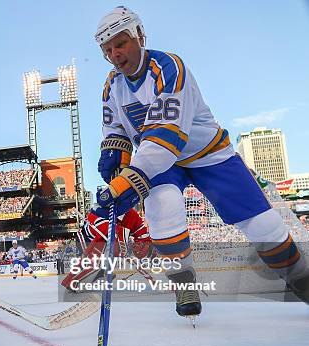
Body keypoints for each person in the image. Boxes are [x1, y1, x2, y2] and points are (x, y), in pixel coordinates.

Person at [90, 6, 309, 319]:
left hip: (207, 154)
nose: (114, 54)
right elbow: (115, 129)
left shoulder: (169, 67)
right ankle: (184, 284)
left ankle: (302, 280)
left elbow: (167, 138)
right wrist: (114, 153)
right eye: (107, 49)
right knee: (162, 207)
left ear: (140, 35)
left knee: (264, 225)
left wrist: (129, 179)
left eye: (120, 43)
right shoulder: (112, 85)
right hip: (162, 163)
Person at [61, 208, 153, 290]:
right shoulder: (110, 218)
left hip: (100, 239)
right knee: (93, 264)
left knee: (95, 264)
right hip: (87, 238)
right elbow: (100, 236)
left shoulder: (129, 221)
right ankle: (73, 282)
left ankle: (76, 281)